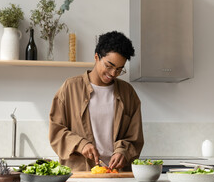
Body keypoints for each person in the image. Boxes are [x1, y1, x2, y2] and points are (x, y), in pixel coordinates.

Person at [49, 31, 144, 171]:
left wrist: (122, 151)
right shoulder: (70, 88)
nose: (113, 73)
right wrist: (81, 144)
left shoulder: (128, 93)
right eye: (109, 66)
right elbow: (56, 132)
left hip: (118, 176)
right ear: (96, 57)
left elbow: (135, 138)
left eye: (119, 69)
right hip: (81, 175)